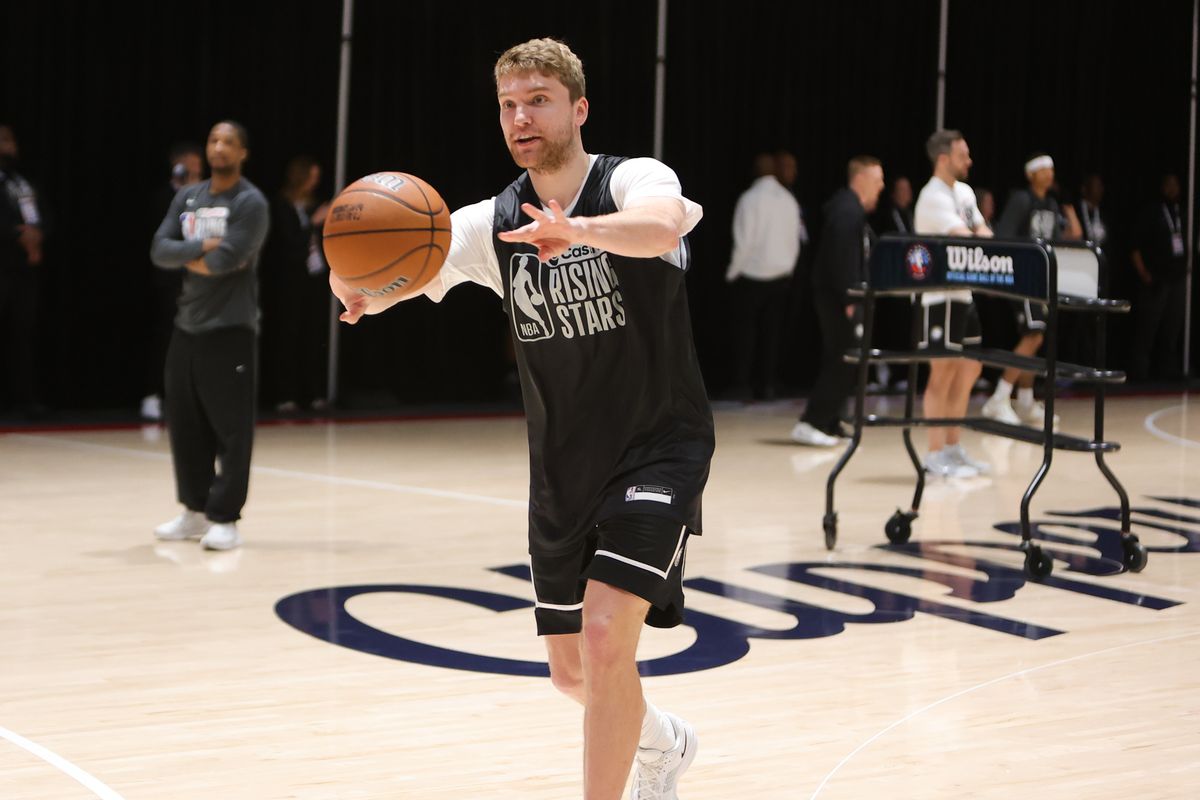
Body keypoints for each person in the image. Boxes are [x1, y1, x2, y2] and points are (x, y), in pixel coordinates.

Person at [331, 39, 710, 800]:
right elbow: (395, 272)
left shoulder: (631, 180)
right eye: (507, 104)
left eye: (536, 99)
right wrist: (363, 282)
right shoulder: (489, 222)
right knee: (573, 673)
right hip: (564, 467)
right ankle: (664, 742)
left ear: (578, 108)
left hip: (657, 446)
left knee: (606, 641)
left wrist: (579, 231)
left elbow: (663, 228)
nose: (519, 117)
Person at [149, 120, 270, 551]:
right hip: (187, 327)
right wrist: (200, 251)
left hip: (231, 328)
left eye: (229, 142)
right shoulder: (189, 197)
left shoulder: (250, 202)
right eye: (214, 140)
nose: (219, 148)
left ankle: (225, 517)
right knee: (185, 423)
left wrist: (198, 256)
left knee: (231, 428)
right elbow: (159, 249)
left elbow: (229, 261)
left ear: (243, 154)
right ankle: (195, 511)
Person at [913, 130, 992, 478]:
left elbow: (984, 233)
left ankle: (952, 446)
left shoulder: (966, 192)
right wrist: (978, 236)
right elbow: (965, 236)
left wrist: (980, 235)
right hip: (939, 295)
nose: (969, 161)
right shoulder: (932, 196)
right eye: (963, 155)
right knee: (942, 372)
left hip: (964, 292)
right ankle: (933, 456)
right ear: (943, 158)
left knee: (970, 368)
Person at [791, 156, 884, 446]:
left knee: (844, 358)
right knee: (842, 358)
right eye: (877, 179)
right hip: (839, 298)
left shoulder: (849, 208)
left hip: (840, 295)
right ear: (861, 179)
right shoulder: (847, 211)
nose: (882, 185)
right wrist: (850, 297)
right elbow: (841, 258)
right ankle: (812, 422)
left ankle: (830, 421)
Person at [985, 153, 1081, 427]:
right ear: (1031, 174)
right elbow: (1004, 236)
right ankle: (999, 397)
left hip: (1043, 280)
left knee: (1035, 337)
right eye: (1043, 169)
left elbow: (1073, 234)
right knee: (1034, 336)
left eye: (1052, 168)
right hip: (1023, 277)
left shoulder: (1051, 203)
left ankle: (1025, 400)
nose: (1049, 173)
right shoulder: (1021, 200)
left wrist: (1070, 209)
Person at [724, 150, 802, 401]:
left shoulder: (750, 198)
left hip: (751, 275)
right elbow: (795, 241)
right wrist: (788, 268)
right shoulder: (789, 200)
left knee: (745, 335)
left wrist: (732, 273)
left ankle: (742, 385)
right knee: (772, 335)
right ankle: (767, 384)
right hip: (781, 275)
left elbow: (744, 240)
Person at [260, 155, 331, 413]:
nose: (315, 182)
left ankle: (313, 393)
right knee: (287, 335)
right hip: (288, 280)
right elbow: (286, 243)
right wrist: (313, 223)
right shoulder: (281, 204)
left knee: (314, 336)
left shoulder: (314, 204)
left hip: (314, 278)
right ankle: (285, 394)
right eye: (311, 176)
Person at [142, 142, 204, 421]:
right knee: (167, 337)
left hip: (199, 279)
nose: (195, 173)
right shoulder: (163, 198)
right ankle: (153, 393)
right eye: (189, 168)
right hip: (170, 279)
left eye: (198, 169)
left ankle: (189, 396)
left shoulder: (206, 198)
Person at [0, 123, 48, 419]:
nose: (8, 144)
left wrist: (38, 234)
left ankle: (23, 397)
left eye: (9, 139)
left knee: (21, 333)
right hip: (2, 261)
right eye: (2, 139)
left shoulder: (22, 182)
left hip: (23, 269)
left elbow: (43, 214)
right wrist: (14, 233)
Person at [1130, 173, 1188, 381]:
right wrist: (1144, 272)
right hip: (1156, 279)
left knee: (1172, 328)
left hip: (1177, 279)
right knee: (1148, 327)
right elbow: (1135, 246)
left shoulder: (1181, 212)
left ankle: (1167, 371)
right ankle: (1140, 373)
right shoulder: (1152, 212)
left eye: (1176, 184)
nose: (1173, 189)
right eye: (1169, 185)